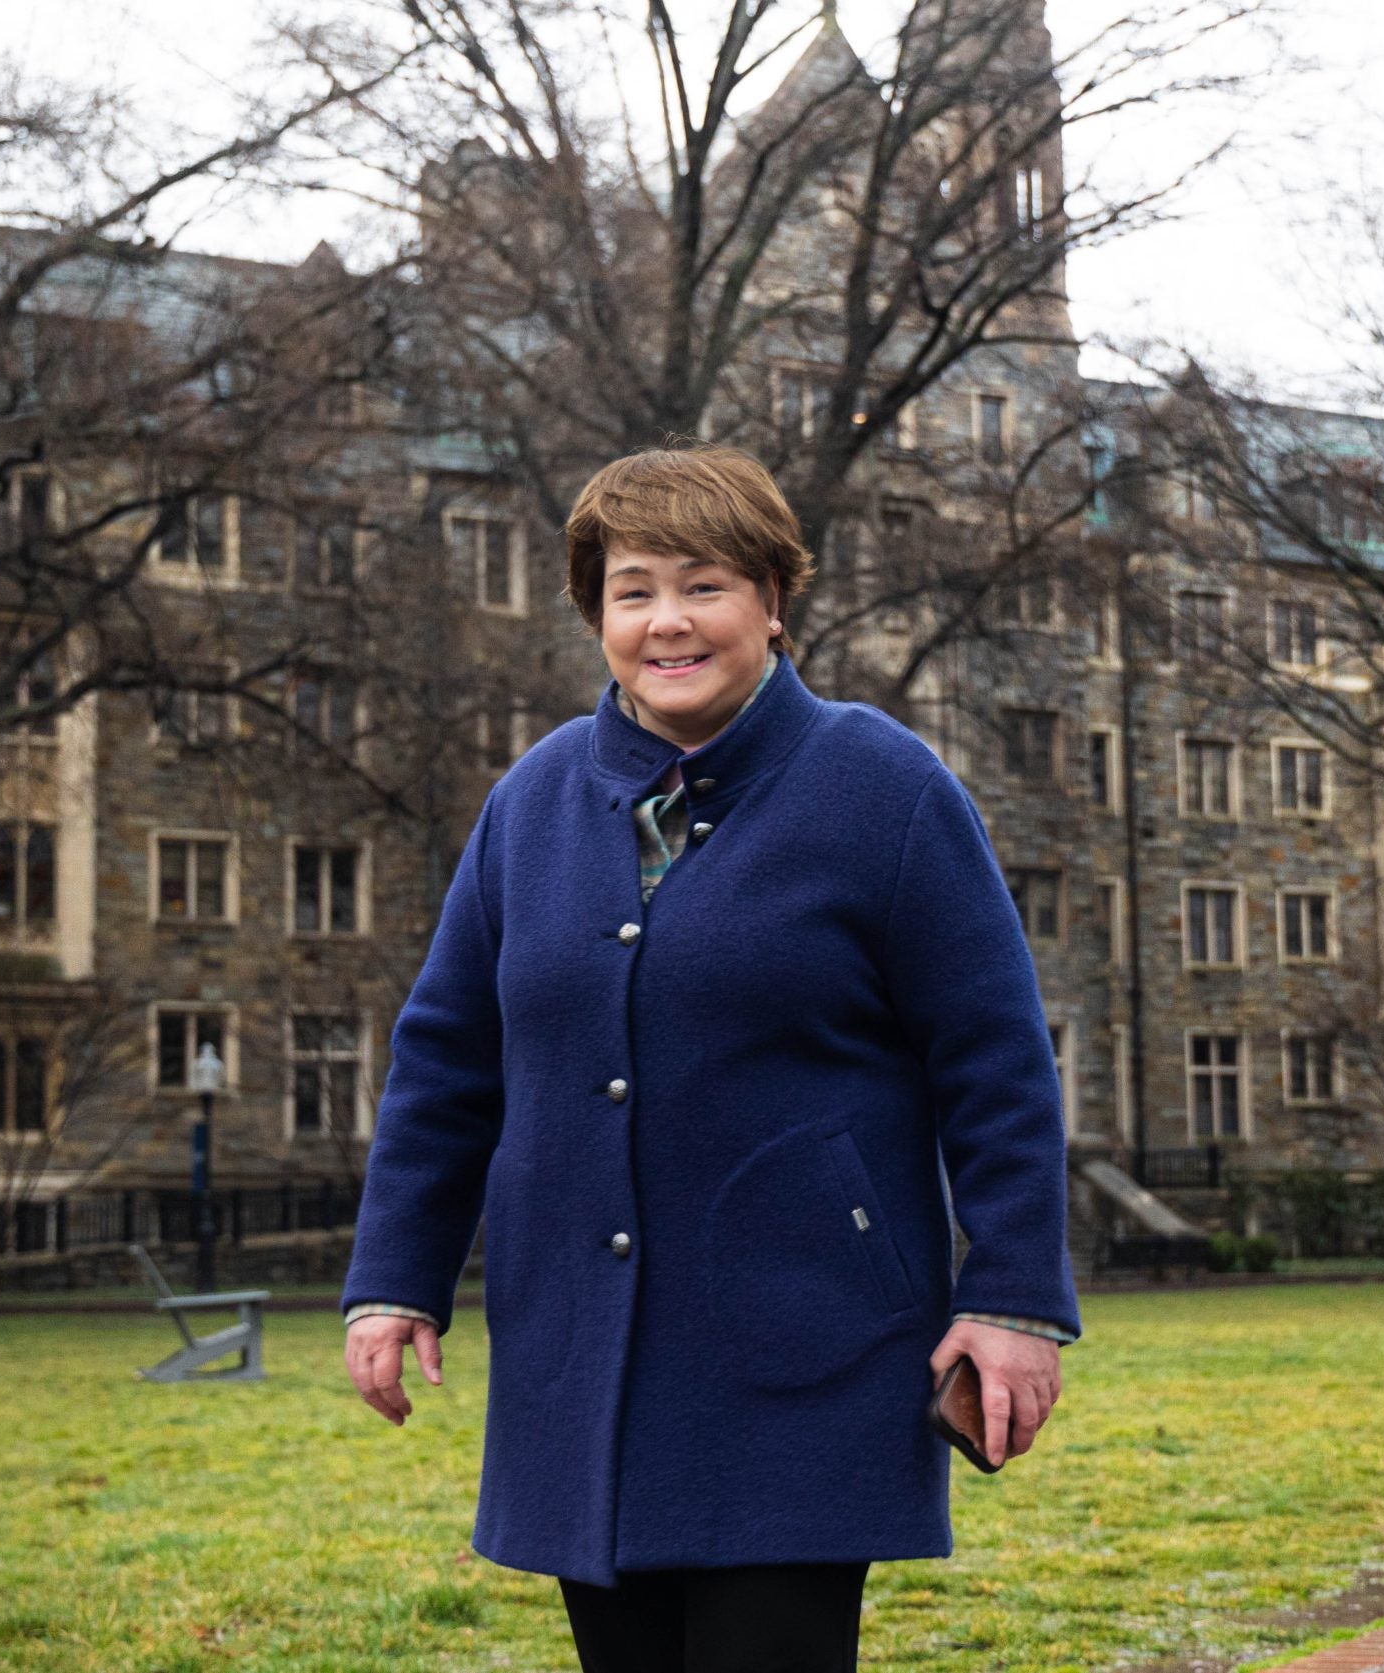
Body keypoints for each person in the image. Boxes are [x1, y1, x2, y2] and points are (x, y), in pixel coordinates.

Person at [341, 445, 1080, 1672]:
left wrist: (1008, 1298)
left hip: (801, 1342)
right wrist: (395, 1274)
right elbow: (445, 1057)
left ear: (772, 603)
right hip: (579, 1352)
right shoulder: (529, 803)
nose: (667, 620)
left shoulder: (883, 786)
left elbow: (995, 1059)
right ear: (597, 616)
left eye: (705, 584)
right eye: (632, 590)